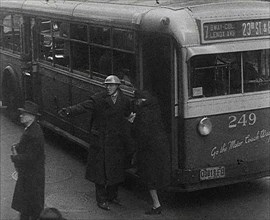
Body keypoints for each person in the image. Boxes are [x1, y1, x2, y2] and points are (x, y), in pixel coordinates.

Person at [58, 75, 134, 211]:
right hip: (101, 141)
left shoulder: (124, 100)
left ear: (117, 86)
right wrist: (69, 111)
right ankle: (101, 200)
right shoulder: (99, 98)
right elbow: (84, 106)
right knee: (100, 172)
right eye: (107, 85)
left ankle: (112, 195)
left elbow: (127, 114)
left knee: (115, 171)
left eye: (111, 85)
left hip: (116, 141)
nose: (108, 87)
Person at [130, 90, 170, 215]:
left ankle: (156, 205)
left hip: (149, 150)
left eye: (136, 101)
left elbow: (140, 133)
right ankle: (159, 200)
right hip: (160, 147)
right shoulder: (156, 108)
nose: (136, 103)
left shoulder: (142, 113)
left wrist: (132, 123)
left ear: (140, 100)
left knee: (149, 176)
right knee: (157, 174)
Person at [10, 101, 45, 220]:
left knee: (29, 204)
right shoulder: (31, 129)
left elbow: (30, 157)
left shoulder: (33, 134)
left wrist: (15, 157)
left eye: (24, 114)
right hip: (31, 174)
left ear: (31, 117)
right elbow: (27, 147)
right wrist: (18, 146)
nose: (21, 116)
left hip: (31, 175)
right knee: (28, 204)